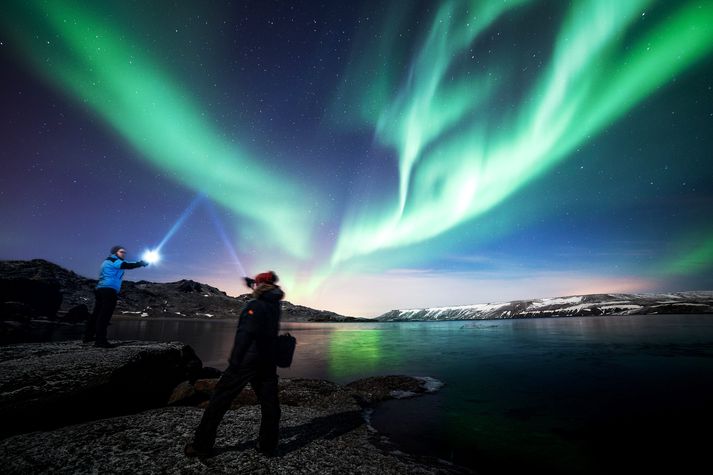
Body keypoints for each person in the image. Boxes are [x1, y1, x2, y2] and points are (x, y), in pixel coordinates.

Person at [185, 271, 284, 458]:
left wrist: (235, 361)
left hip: (248, 360)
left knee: (219, 400)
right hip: (268, 361)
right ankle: (267, 444)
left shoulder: (255, 305)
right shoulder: (275, 304)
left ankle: (201, 445)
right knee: (270, 404)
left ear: (260, 286)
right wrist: (253, 284)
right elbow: (263, 290)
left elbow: (245, 334)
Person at [83, 245, 148, 348]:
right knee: (105, 315)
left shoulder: (110, 260)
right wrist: (140, 263)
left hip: (101, 289)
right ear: (115, 252)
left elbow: (126, 264)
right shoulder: (114, 260)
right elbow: (126, 265)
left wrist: (139, 263)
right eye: (122, 252)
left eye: (125, 252)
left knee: (97, 314)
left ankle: (88, 337)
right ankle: (100, 341)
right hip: (108, 290)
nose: (124, 254)